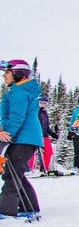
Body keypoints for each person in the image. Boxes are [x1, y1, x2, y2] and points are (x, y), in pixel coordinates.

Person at [0, 59, 43, 217]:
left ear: (18, 73)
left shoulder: (18, 92)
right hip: (25, 137)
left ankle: (5, 209)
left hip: (23, 137)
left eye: (7, 72)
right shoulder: (19, 91)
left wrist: (7, 134)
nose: (4, 76)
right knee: (15, 171)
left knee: (12, 174)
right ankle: (29, 207)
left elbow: (16, 116)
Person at [36, 95, 57, 173]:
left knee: (49, 151)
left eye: (44, 103)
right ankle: (28, 169)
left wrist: (53, 134)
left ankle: (44, 168)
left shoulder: (44, 113)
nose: (42, 105)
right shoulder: (35, 112)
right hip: (36, 135)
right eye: (41, 103)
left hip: (44, 135)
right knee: (32, 152)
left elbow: (46, 127)